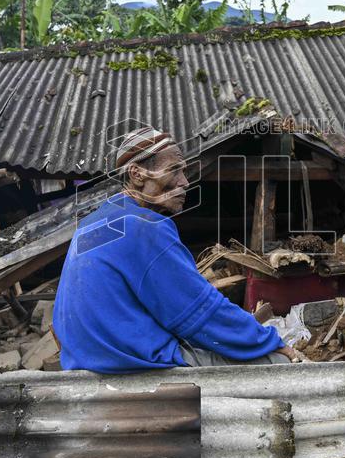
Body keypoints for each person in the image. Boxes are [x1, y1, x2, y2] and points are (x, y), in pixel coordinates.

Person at [53, 126, 297, 373]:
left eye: (183, 171)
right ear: (137, 174)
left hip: (83, 359)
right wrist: (267, 341)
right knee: (277, 366)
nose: (185, 182)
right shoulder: (145, 227)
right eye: (173, 170)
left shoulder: (92, 223)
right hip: (127, 360)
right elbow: (198, 311)